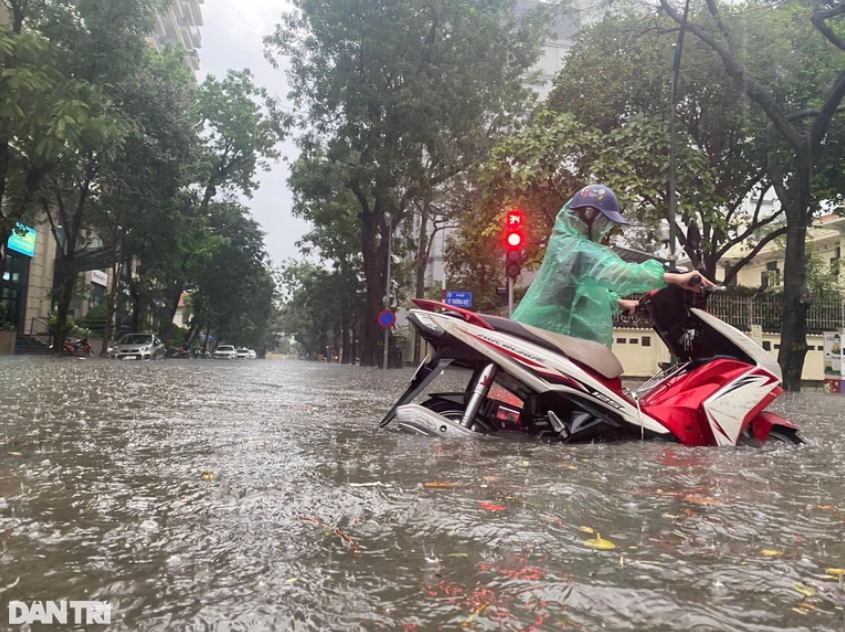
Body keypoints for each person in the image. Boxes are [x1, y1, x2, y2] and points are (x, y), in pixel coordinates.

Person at [511, 184, 714, 348]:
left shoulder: (567, 244)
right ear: (589, 214)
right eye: (604, 222)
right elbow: (621, 274)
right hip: (558, 341)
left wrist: (620, 304)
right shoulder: (576, 249)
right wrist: (675, 278)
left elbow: (577, 294)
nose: (605, 229)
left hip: (555, 337)